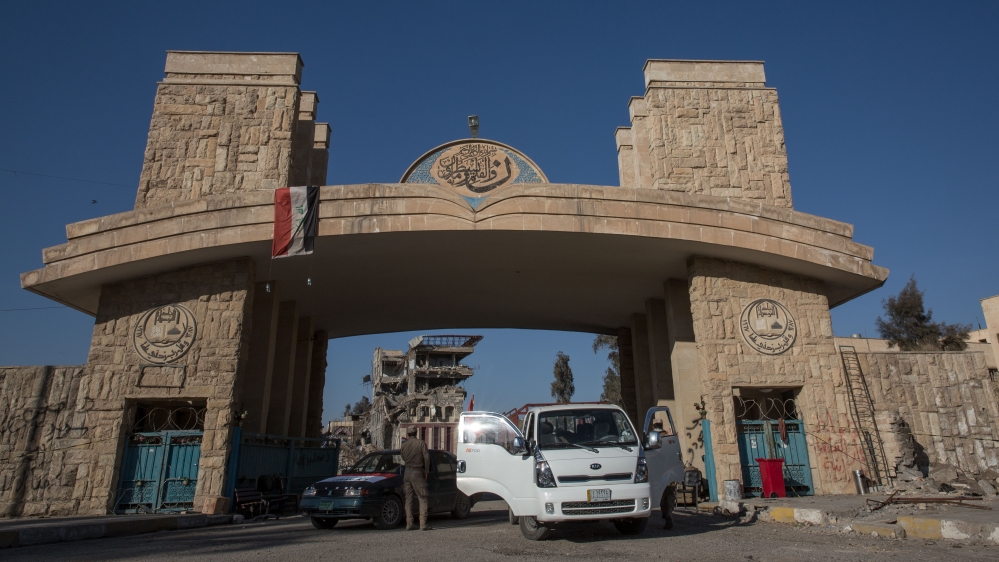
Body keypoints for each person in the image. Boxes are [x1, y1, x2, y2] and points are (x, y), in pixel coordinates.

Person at [400, 426, 432, 530]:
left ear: (408, 434)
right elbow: (426, 457)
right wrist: (426, 471)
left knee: (408, 499)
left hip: (407, 472)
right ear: (416, 433)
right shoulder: (421, 443)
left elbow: (403, 457)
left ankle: (409, 523)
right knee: (422, 497)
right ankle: (423, 523)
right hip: (417, 472)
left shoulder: (404, 445)